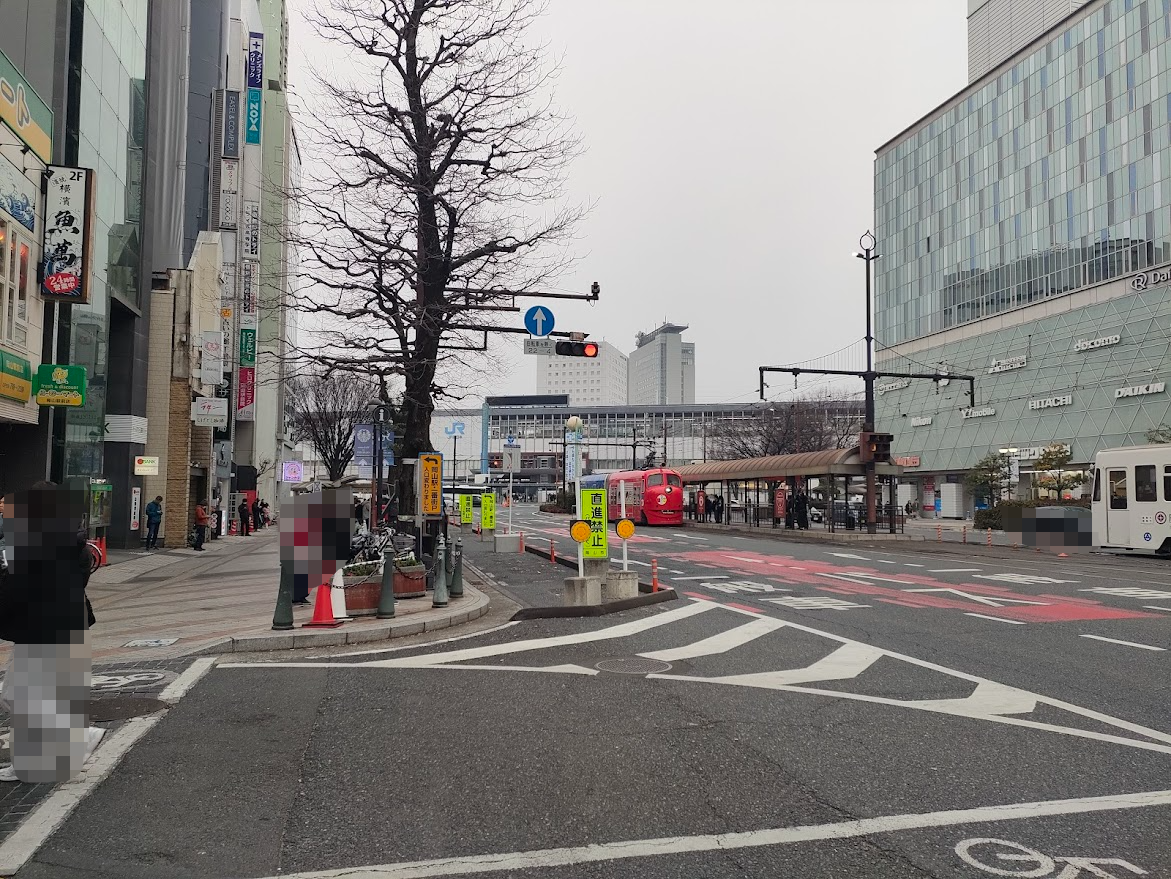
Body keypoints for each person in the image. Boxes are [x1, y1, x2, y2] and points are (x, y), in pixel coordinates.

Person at [0, 482, 102, 783]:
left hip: (41, 628)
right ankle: (30, 762)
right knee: (26, 696)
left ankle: (78, 738)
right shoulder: (71, 541)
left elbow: (15, 589)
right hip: (62, 624)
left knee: (16, 696)